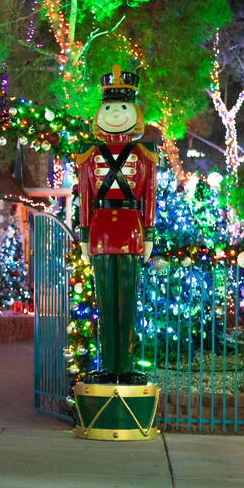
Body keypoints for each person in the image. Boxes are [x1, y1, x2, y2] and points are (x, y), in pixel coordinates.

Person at [76, 64, 157, 385]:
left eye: (122, 107)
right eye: (108, 107)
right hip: (99, 230)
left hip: (131, 229)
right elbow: (84, 197)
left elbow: (149, 196)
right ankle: (108, 366)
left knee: (127, 300)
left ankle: (125, 365)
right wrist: (83, 237)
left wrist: (149, 235)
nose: (114, 113)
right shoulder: (87, 153)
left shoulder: (145, 153)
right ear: (100, 112)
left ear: (134, 111)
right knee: (104, 301)